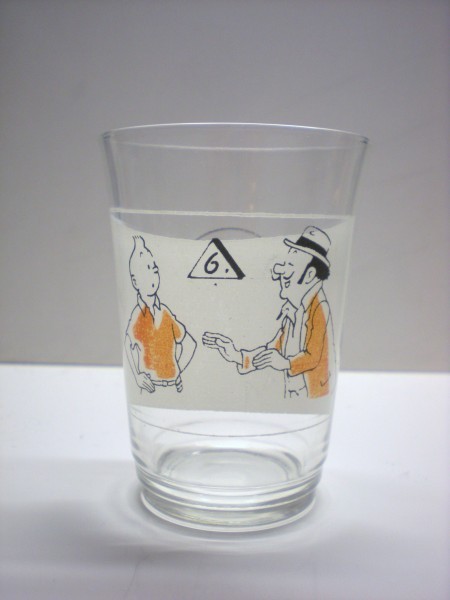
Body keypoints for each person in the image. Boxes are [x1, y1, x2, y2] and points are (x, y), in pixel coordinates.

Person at [203, 226, 335, 399]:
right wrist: (237, 356)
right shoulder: (293, 309)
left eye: (290, 266)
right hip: (294, 395)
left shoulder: (319, 307)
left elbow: (314, 357)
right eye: (284, 265)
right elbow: (274, 349)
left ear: (309, 274)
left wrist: (285, 363)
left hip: (313, 395)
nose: (280, 273)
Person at [125, 236, 196, 394]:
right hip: (151, 390)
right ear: (135, 282)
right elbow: (128, 344)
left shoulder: (164, 312)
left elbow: (190, 343)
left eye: (154, 268)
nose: (153, 273)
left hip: (174, 388)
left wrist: (179, 371)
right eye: (146, 269)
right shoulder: (138, 314)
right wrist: (137, 376)